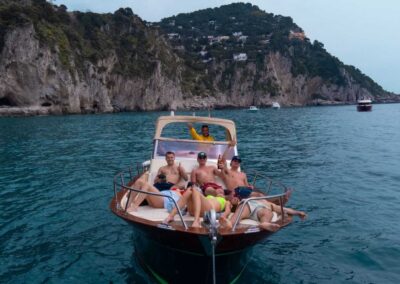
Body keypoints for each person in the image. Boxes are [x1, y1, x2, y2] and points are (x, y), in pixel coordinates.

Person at [163, 183, 231, 228]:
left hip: (208, 210)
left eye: (222, 192)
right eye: (219, 191)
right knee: (190, 190)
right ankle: (171, 216)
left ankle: (196, 220)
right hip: (194, 210)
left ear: (225, 195)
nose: (220, 192)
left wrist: (223, 217)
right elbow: (198, 199)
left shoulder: (226, 201)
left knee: (194, 190)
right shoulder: (209, 196)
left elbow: (228, 210)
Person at [220, 198, 306, 232]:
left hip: (260, 209)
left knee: (267, 213)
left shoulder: (270, 205)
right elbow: (234, 205)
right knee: (240, 212)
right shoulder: (250, 198)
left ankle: (264, 223)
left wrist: (298, 213)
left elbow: (285, 209)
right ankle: (230, 224)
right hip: (248, 204)